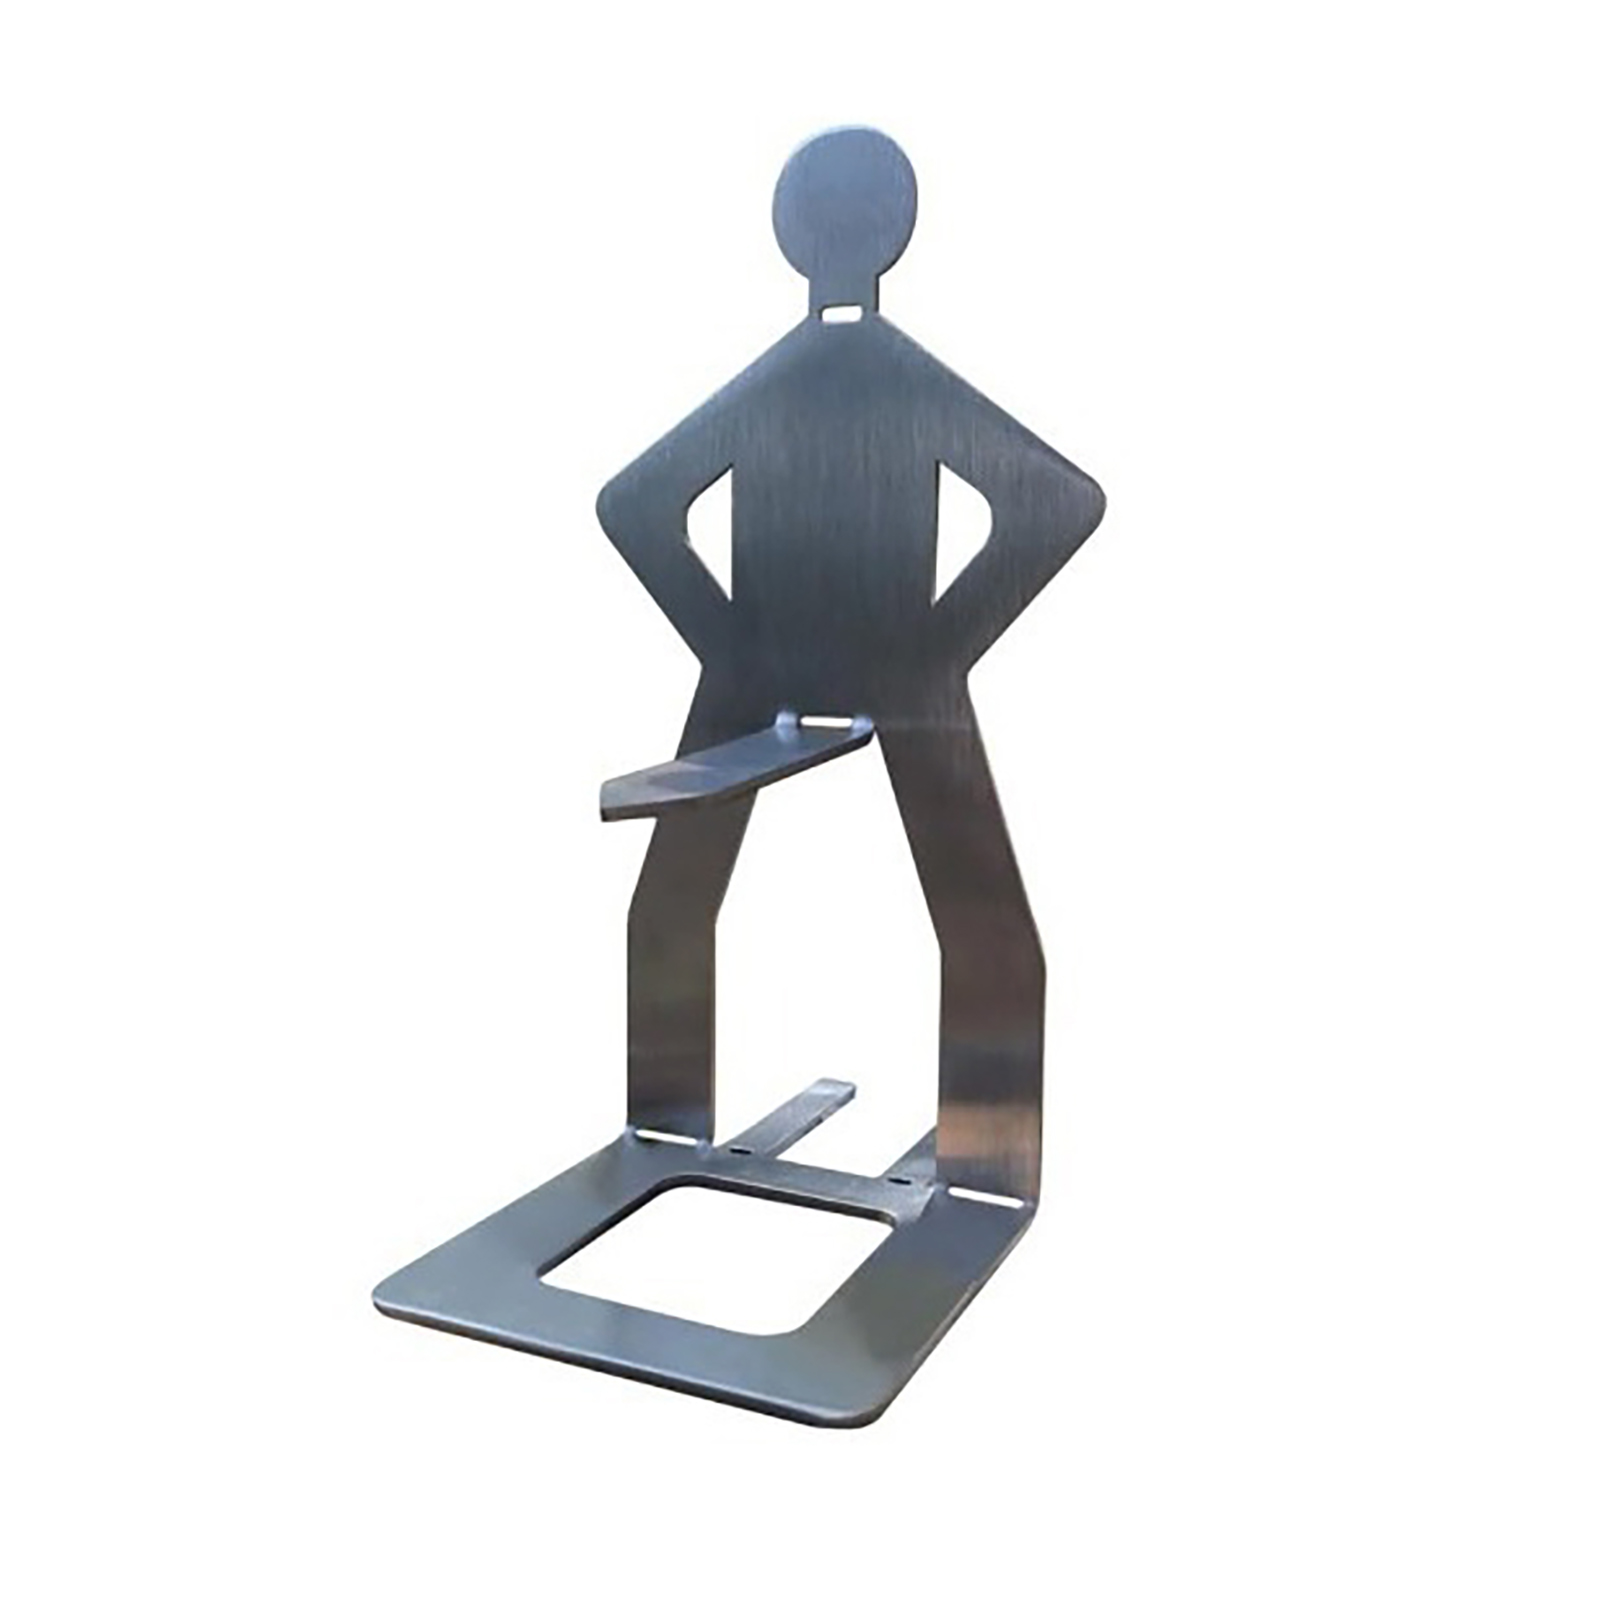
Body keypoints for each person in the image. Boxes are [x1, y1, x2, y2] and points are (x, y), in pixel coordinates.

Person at [596, 127, 1105, 1199]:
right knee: (980, 915)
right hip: (877, 672)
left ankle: (971, 1165)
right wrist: (936, 645)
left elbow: (637, 507)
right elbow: (1051, 504)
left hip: (772, 674)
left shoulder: (781, 380)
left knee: (675, 897)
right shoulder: (886, 376)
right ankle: (974, 1156)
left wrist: (731, 641)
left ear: (799, 238)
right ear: (886, 235)